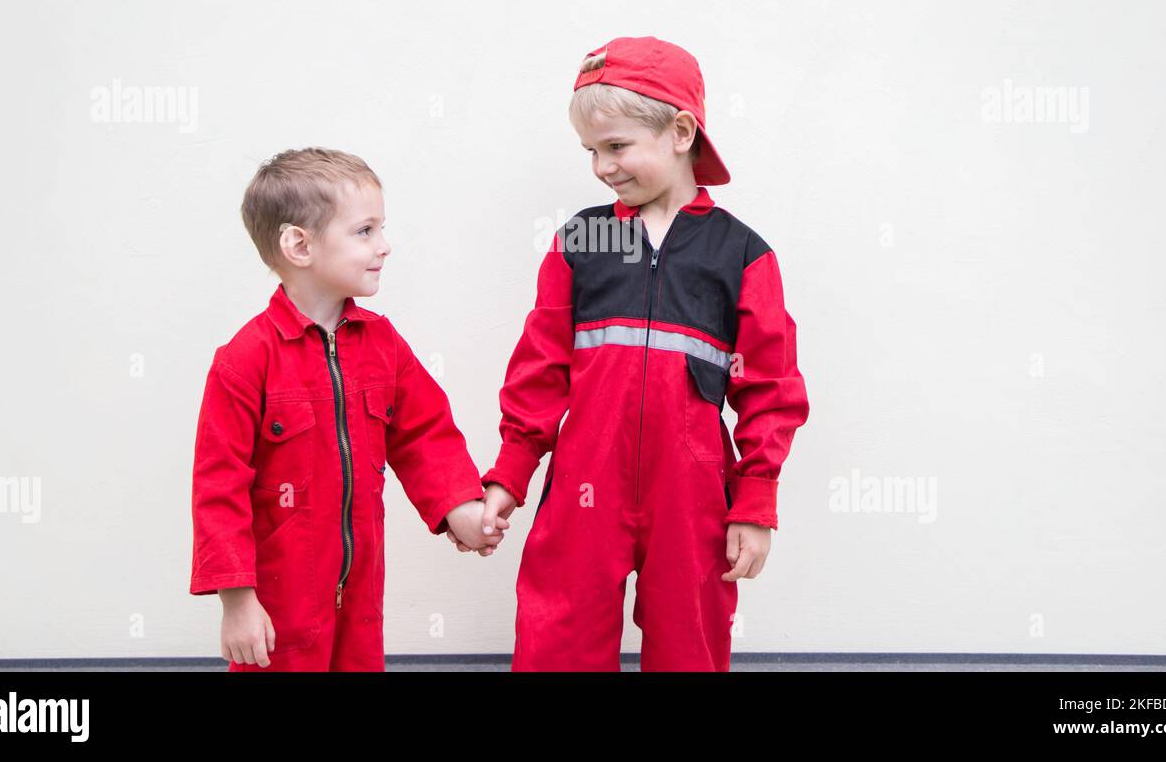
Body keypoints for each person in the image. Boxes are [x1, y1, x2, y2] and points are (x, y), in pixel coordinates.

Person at [478, 37, 810, 671]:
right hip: (585, 477)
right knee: (558, 636)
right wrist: (510, 474)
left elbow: (771, 389)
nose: (603, 167)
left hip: (692, 490)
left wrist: (756, 501)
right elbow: (539, 369)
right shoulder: (580, 240)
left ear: (680, 131)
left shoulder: (742, 255)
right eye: (592, 152)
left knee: (692, 642)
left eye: (617, 146)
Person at [189, 147, 506, 671]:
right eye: (365, 231)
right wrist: (237, 600)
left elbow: (425, 434)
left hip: (361, 585)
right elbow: (217, 487)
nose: (385, 246)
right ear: (299, 244)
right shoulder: (245, 360)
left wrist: (461, 508)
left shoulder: (383, 345)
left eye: (381, 229)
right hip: (279, 592)